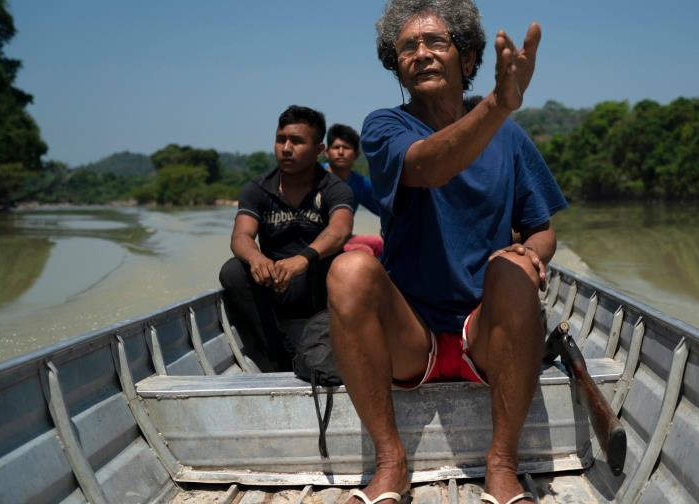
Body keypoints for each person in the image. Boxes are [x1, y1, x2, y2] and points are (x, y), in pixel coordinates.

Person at [326, 1, 566, 503]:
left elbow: (541, 229)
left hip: (486, 330)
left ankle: (501, 465)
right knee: (349, 270)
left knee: (512, 264)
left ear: (469, 57)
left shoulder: (511, 138)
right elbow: (427, 167)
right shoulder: (385, 126)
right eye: (408, 47)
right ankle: (391, 464)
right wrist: (498, 103)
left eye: (436, 42)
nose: (421, 54)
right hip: (410, 334)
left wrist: (532, 254)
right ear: (396, 66)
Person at [219, 105, 353, 371]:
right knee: (233, 270)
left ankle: (329, 342)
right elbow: (241, 236)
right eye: (281, 140)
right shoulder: (257, 189)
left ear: (319, 150)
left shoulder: (334, 189)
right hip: (276, 287)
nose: (286, 148)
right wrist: (256, 258)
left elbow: (340, 230)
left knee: (349, 265)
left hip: (319, 290)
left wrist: (303, 259)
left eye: (297, 141)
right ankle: (277, 356)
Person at [324, 124, 385, 256]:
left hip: (343, 238)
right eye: (335, 147)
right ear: (326, 153)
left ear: (356, 154)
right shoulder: (315, 176)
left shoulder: (360, 183)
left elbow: (385, 207)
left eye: (346, 148)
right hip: (315, 239)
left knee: (379, 244)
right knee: (364, 251)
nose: (340, 152)